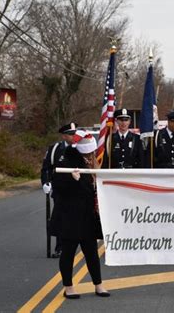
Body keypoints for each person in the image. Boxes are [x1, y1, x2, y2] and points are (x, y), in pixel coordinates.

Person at [50, 131, 109, 299]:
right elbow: (58, 186)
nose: (90, 156)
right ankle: (68, 287)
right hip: (70, 215)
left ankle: (98, 284)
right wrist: (72, 180)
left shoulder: (90, 162)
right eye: (87, 154)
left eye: (91, 153)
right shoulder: (67, 159)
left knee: (91, 252)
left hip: (87, 215)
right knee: (68, 252)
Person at [41, 122, 78, 258]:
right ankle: (61, 247)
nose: (74, 136)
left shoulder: (81, 147)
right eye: (70, 134)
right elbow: (46, 168)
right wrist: (46, 182)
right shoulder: (55, 149)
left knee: (77, 219)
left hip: (78, 190)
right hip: (60, 190)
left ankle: (76, 246)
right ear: (63, 136)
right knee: (62, 219)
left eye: (75, 133)